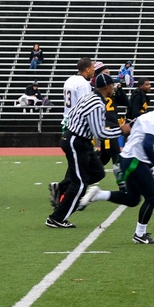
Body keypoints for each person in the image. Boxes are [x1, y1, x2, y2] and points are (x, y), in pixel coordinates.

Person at [79, 93, 154, 244]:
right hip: (135, 161)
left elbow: (133, 131)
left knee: (132, 199)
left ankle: (98, 195)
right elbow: (147, 145)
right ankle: (140, 234)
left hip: (129, 157)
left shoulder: (149, 116)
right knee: (152, 198)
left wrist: (152, 165)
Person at [46, 73, 129, 229]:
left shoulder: (91, 96)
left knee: (98, 173)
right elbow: (100, 133)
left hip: (80, 140)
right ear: (108, 87)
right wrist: (121, 130)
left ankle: (61, 188)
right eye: (113, 85)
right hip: (76, 141)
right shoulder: (96, 103)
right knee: (80, 185)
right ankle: (57, 218)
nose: (114, 88)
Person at [50, 57, 96, 208]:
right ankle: (66, 192)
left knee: (75, 163)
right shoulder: (83, 84)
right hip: (77, 126)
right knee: (80, 163)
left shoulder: (69, 80)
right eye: (93, 67)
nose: (94, 70)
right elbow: (85, 106)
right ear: (87, 69)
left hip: (67, 122)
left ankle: (63, 191)